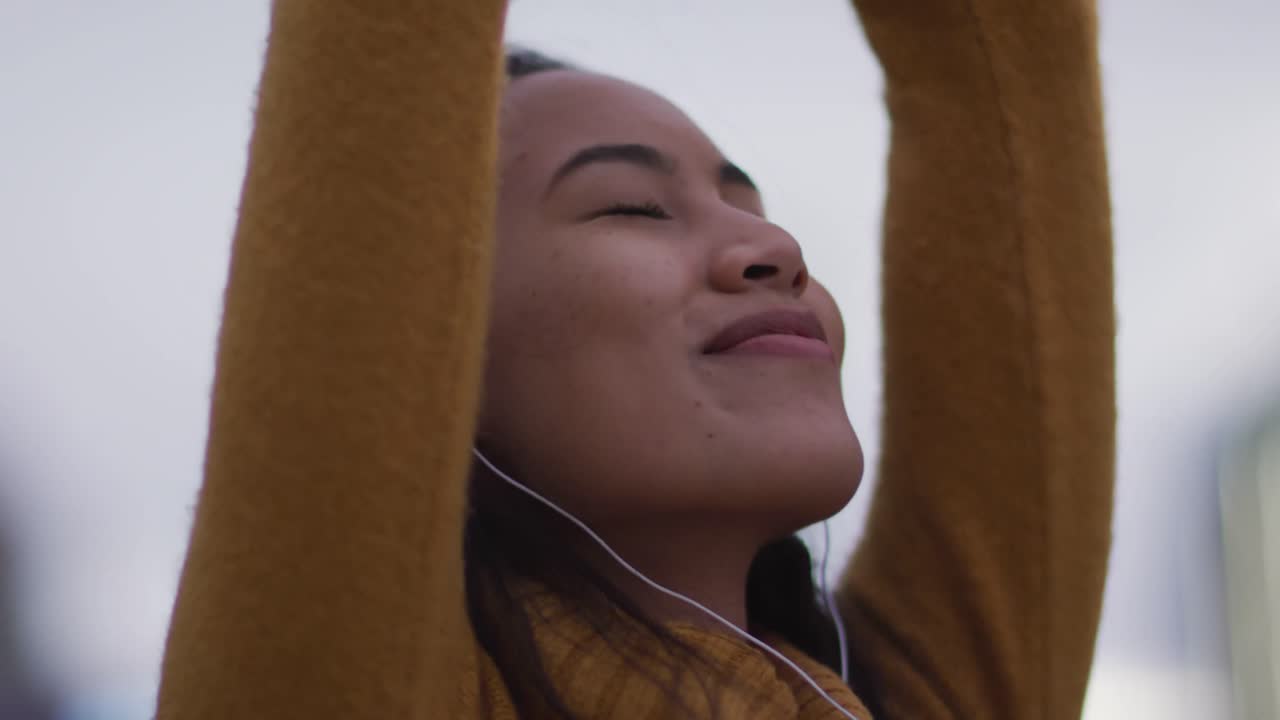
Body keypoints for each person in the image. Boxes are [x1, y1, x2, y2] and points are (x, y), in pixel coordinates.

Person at [155, 1, 1115, 718]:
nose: (773, 248)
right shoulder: (345, 682)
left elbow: (1004, 70)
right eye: (632, 206)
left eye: (748, 201)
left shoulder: (920, 697)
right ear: (436, 362)